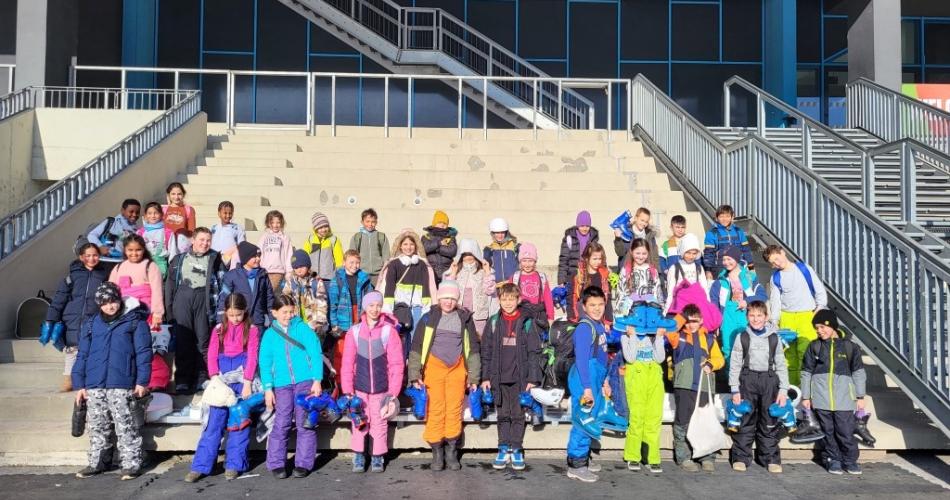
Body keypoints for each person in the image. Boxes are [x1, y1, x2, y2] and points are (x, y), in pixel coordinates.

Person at [72, 282, 151, 480]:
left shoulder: (135, 321)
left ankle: (131, 463)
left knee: (125, 425)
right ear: (99, 304)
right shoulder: (90, 324)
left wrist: (142, 381)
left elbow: (143, 353)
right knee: (98, 425)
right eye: (105, 303)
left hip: (122, 382)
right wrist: (79, 384)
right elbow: (82, 355)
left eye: (113, 301)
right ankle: (98, 462)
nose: (110, 306)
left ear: (119, 299)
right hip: (95, 383)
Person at [185, 293, 260, 483]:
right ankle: (200, 466)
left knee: (239, 423)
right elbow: (211, 355)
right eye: (231, 314)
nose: (235, 319)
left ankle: (234, 464)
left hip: (241, 381)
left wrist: (248, 383)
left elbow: (252, 356)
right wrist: (214, 377)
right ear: (225, 312)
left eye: (239, 314)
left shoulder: (251, 330)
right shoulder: (218, 330)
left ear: (245, 312)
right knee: (213, 425)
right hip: (221, 382)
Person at [407, 281, 481, 472]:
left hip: (457, 369)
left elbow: (473, 349)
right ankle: (437, 451)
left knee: (454, 408)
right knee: (435, 408)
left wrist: (474, 377)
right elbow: (415, 348)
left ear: (457, 300)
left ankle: (451, 450)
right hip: (434, 368)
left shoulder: (464, 319)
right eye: (445, 298)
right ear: (439, 298)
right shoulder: (428, 318)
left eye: (452, 298)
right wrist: (415, 374)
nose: (448, 302)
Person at [260, 294, 323, 479]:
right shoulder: (270, 334)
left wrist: (317, 380)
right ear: (274, 313)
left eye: (291, 311)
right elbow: (265, 361)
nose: (288, 315)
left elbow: (314, 352)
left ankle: (303, 463)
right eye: (284, 312)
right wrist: (268, 388)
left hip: (304, 381)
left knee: (305, 422)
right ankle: (276, 463)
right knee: (282, 422)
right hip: (282, 384)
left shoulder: (302, 328)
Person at [339, 291, 404, 473]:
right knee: (358, 420)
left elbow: (396, 364)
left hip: (382, 389)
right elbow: (347, 363)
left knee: (380, 421)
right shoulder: (355, 331)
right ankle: (359, 454)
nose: (375, 309)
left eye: (378, 305)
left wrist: (393, 392)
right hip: (359, 388)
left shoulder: (388, 331)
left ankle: (377, 456)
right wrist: (348, 389)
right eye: (371, 306)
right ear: (364, 308)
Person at [480, 283, 542, 471]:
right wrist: (485, 377)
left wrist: (532, 378)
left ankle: (516, 447)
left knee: (517, 414)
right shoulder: (492, 322)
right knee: (502, 414)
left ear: (518, 299)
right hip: (498, 378)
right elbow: (486, 353)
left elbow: (534, 352)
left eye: (511, 299)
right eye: (504, 299)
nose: (507, 303)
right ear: (499, 300)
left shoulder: (527, 323)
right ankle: (502, 447)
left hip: (520, 379)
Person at [801, 309, 867, 475]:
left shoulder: (850, 347)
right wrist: (806, 396)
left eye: (822, 327)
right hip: (821, 399)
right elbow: (806, 372)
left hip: (844, 399)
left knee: (845, 431)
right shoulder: (814, 346)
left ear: (832, 326)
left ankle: (850, 460)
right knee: (828, 432)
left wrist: (860, 396)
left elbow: (858, 372)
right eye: (817, 328)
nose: (819, 331)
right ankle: (833, 459)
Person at [728, 301, 789, 474]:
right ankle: (740, 457)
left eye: (759, 315)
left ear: (766, 317)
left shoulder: (774, 337)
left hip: (769, 380)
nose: (755, 319)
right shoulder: (742, 337)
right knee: (745, 419)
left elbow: (781, 364)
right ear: (747, 317)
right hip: (747, 379)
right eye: (752, 315)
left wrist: (783, 389)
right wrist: (735, 388)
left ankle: (770, 458)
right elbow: (734, 364)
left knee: (769, 420)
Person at [664, 304, 724, 472]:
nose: (691, 325)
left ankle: (707, 457)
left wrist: (711, 364)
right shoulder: (679, 337)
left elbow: (719, 359)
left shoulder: (710, 339)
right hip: (683, 386)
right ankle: (684, 457)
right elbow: (669, 330)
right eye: (688, 321)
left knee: (705, 422)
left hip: (704, 388)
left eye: (695, 321)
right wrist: (682, 316)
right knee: (682, 422)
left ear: (701, 321)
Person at [165, 228, 226, 394]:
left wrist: (219, 311)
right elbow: (170, 286)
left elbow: (222, 286)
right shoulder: (179, 259)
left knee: (203, 340)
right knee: (184, 340)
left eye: (208, 240)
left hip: (204, 300)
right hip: (183, 298)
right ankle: (183, 379)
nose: (205, 243)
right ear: (193, 240)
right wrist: (169, 311)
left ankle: (201, 377)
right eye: (201, 239)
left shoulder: (215, 259)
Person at [43, 242, 108, 392]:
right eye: (88, 256)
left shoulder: (103, 275)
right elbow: (59, 298)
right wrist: (51, 318)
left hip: (93, 318)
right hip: (72, 318)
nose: (92, 259)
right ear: (81, 257)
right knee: (72, 350)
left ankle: (86, 379)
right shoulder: (73, 276)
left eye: (95, 255)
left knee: (90, 350)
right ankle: (68, 379)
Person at [763, 245, 827, 386]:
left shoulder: (804, 269)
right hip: (787, 317)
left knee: (807, 353)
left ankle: (807, 389)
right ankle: (791, 389)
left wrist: (820, 306)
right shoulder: (776, 277)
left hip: (807, 316)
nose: (776, 264)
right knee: (788, 356)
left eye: (777, 259)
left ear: (783, 252)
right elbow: (775, 300)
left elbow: (819, 289)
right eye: (772, 263)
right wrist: (775, 320)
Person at [565, 286, 610, 483]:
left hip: (595, 378)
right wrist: (587, 388)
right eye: (592, 305)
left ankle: (584, 457)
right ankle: (576, 464)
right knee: (582, 421)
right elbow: (582, 360)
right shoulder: (585, 328)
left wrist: (605, 381)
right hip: (585, 380)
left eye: (600, 304)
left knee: (590, 418)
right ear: (584, 306)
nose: (597, 308)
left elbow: (602, 356)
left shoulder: (599, 325)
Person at [620, 305, 666, 473]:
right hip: (636, 378)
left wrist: (659, 338)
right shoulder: (625, 337)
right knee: (637, 419)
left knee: (653, 419)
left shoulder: (654, 336)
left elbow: (659, 358)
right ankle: (633, 456)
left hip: (654, 378)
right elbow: (630, 358)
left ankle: (651, 456)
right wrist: (632, 336)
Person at [378, 229, 437, 354]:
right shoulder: (394, 264)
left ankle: (413, 364)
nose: (408, 247)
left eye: (411, 244)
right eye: (405, 244)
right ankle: (401, 362)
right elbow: (389, 287)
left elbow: (426, 286)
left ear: (416, 246)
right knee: (400, 337)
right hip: (399, 307)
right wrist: (388, 307)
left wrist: (426, 307)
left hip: (417, 307)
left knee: (416, 336)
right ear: (400, 246)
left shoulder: (421, 264)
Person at [709, 246, 767, 367]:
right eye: (724, 260)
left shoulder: (750, 277)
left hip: (747, 316)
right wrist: (716, 322)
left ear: (737, 259)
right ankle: (732, 382)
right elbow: (713, 303)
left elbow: (762, 295)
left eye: (729, 259)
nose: (726, 262)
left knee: (749, 348)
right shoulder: (719, 281)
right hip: (727, 317)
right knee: (728, 349)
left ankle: (748, 379)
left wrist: (747, 301)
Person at [109, 233, 163, 329]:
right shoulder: (118, 267)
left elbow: (157, 291)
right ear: (125, 250)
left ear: (143, 250)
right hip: (122, 313)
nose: (134, 253)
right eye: (130, 250)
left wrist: (157, 314)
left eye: (138, 250)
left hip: (144, 311)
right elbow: (110, 291)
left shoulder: (150, 266)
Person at [442, 238, 495, 337]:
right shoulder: (456, 270)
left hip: (479, 314)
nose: (468, 257)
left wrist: (487, 272)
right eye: (465, 255)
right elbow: (448, 290)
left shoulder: (483, 271)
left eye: (471, 254)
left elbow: (490, 290)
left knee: (478, 338)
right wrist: (453, 274)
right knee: (460, 336)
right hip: (459, 312)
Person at [218, 241, 275, 331]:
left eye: (259, 256)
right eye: (254, 256)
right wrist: (220, 321)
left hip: (258, 321)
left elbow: (270, 298)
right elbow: (224, 299)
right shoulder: (232, 276)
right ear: (245, 258)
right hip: (239, 321)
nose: (258, 259)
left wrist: (273, 320)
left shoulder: (263, 275)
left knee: (257, 344)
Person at [282, 249, 329, 337]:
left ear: (308, 266)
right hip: (296, 323)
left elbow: (322, 304)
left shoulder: (316, 282)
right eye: (296, 267)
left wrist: (319, 323)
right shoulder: (291, 282)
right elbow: (285, 300)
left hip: (313, 325)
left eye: (302, 266)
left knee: (312, 347)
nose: (299, 270)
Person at [663, 233, 710, 316]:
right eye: (688, 253)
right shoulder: (674, 268)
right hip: (680, 310)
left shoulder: (699, 267)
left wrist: (708, 307)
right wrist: (666, 311)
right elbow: (670, 292)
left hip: (697, 309)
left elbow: (705, 289)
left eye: (694, 253)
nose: (691, 256)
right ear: (682, 251)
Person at [137, 201, 188, 278]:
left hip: (161, 266)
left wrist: (172, 267)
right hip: (143, 265)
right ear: (145, 215)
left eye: (156, 213)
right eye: (149, 213)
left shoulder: (167, 232)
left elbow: (172, 251)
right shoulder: (140, 232)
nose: (153, 216)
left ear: (161, 215)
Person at [86, 198, 141, 269]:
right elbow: (91, 235)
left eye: (137, 212)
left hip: (123, 263)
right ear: (122, 211)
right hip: (105, 261)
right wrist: (100, 247)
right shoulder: (111, 222)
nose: (134, 214)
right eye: (131, 211)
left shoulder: (137, 230)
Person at [509, 242, 555, 328]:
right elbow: (509, 298)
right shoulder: (514, 277)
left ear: (535, 261)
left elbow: (548, 298)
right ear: (520, 261)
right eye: (524, 261)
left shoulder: (541, 277)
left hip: (538, 316)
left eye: (530, 261)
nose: (527, 264)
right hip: (520, 316)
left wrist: (551, 317)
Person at [703, 204, 754, 280]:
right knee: (723, 290)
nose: (724, 219)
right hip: (720, 268)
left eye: (727, 216)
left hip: (739, 266)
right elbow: (709, 254)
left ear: (732, 217)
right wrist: (708, 271)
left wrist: (751, 267)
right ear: (717, 218)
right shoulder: (711, 233)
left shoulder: (739, 231)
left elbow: (746, 250)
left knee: (740, 290)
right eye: (721, 216)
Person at [567, 242, 612, 324]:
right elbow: (571, 297)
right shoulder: (578, 275)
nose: (598, 262)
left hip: (599, 316)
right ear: (587, 258)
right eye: (595, 259)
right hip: (582, 316)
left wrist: (608, 321)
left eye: (600, 259)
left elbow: (607, 300)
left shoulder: (604, 276)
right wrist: (572, 317)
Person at [616, 238, 663, 317]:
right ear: (631, 252)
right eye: (637, 253)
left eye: (644, 253)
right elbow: (621, 293)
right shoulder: (625, 270)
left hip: (649, 311)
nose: (641, 257)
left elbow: (658, 293)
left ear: (648, 253)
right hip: (630, 311)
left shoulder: (652, 270)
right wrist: (621, 315)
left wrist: (659, 311)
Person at [349, 208, 390, 285]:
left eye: (373, 222)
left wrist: (384, 272)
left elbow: (386, 257)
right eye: (367, 221)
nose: (370, 224)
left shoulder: (381, 236)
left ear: (376, 222)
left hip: (378, 275)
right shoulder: (356, 237)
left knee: (377, 296)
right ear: (362, 222)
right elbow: (351, 256)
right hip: (361, 274)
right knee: (362, 296)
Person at [558, 210, 599, 286]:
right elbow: (563, 260)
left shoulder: (593, 238)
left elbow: (599, 256)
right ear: (577, 225)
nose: (584, 228)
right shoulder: (569, 238)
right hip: (573, 275)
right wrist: (562, 280)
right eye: (582, 226)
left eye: (587, 226)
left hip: (589, 275)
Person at [258, 210, 293, 292]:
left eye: (278, 222)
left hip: (278, 271)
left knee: (270, 292)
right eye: (272, 222)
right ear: (268, 223)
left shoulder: (284, 237)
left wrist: (289, 272)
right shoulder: (264, 237)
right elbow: (258, 252)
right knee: (265, 294)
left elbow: (288, 255)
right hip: (264, 271)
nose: (275, 225)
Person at [303, 211, 344, 283]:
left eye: (326, 226)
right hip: (313, 277)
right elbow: (305, 258)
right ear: (315, 228)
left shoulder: (333, 240)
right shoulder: (310, 240)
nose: (324, 229)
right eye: (320, 227)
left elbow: (339, 260)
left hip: (329, 278)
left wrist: (340, 276)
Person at [421, 210, 458, 285]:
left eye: (445, 223)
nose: (442, 225)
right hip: (430, 271)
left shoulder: (450, 238)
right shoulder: (426, 237)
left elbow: (452, 251)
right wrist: (439, 243)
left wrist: (436, 248)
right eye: (440, 222)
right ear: (434, 223)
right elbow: (424, 249)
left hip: (447, 272)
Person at [483, 217, 520, 284]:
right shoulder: (489, 249)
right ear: (492, 233)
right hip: (496, 285)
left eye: (502, 232)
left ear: (506, 233)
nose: (500, 235)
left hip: (512, 284)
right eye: (497, 233)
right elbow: (486, 267)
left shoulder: (514, 247)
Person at [210, 201, 246, 268]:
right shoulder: (213, 228)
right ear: (219, 213)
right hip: (214, 260)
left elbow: (242, 245)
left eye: (230, 213)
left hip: (231, 261)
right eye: (225, 213)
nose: (228, 215)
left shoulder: (237, 228)